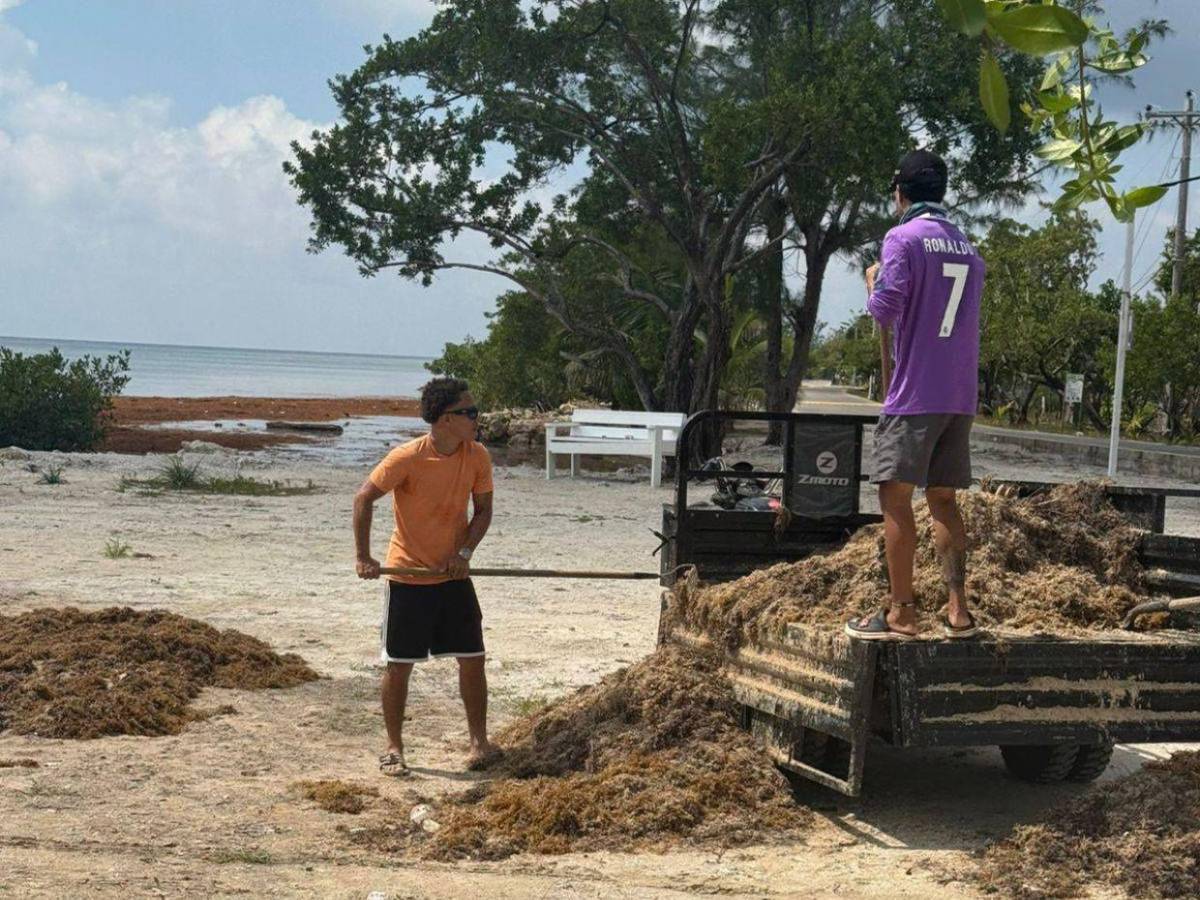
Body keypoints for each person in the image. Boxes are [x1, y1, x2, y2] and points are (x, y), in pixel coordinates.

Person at [846, 149, 985, 641]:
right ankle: (957, 610)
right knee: (943, 498)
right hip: (960, 395)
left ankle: (902, 612)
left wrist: (873, 281)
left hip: (915, 395)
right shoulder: (966, 245)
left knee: (895, 497)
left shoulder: (901, 237)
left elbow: (884, 310)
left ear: (900, 193)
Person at [353, 376, 501, 775]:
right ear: (443, 419)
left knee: (473, 658)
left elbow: (483, 511)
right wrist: (364, 556)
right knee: (399, 664)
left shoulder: (477, 456)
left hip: (453, 576)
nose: (476, 418)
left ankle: (479, 744)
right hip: (409, 576)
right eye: (468, 412)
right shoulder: (407, 457)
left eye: (474, 411)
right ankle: (394, 748)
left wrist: (464, 552)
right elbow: (364, 498)